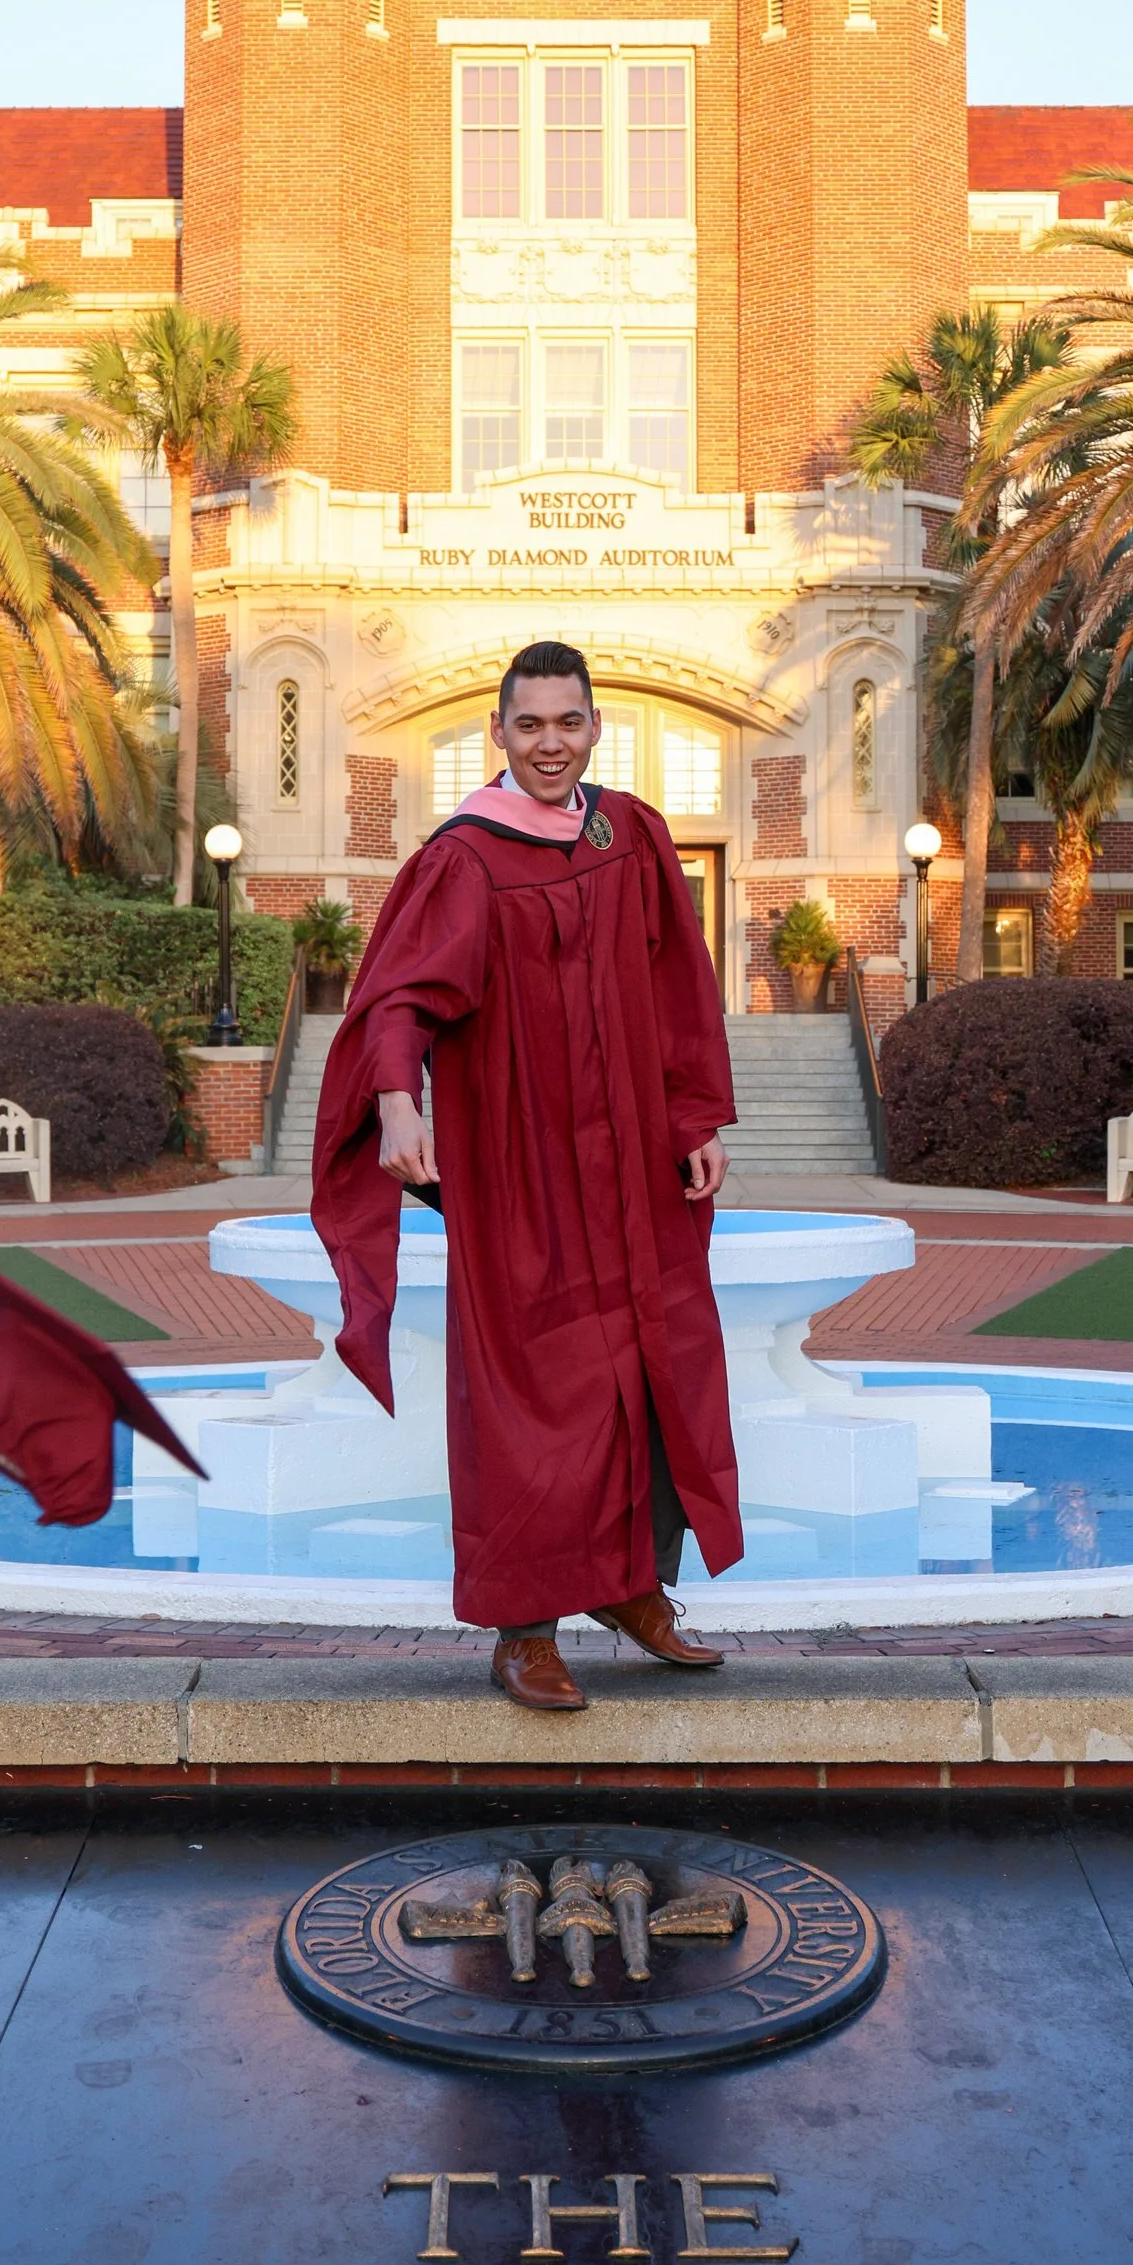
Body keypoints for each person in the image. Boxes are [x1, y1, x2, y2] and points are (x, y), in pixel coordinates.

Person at [311, 641, 741, 1711]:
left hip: (631, 1156)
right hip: (521, 1160)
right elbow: (399, 994)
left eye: (569, 722)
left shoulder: (629, 833)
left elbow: (678, 985)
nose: (551, 744)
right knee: (530, 1384)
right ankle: (525, 1627)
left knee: (646, 1363)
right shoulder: (465, 856)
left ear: (596, 727)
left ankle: (630, 1586)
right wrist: (397, 1099)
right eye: (531, 725)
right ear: (497, 732)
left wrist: (693, 1115)